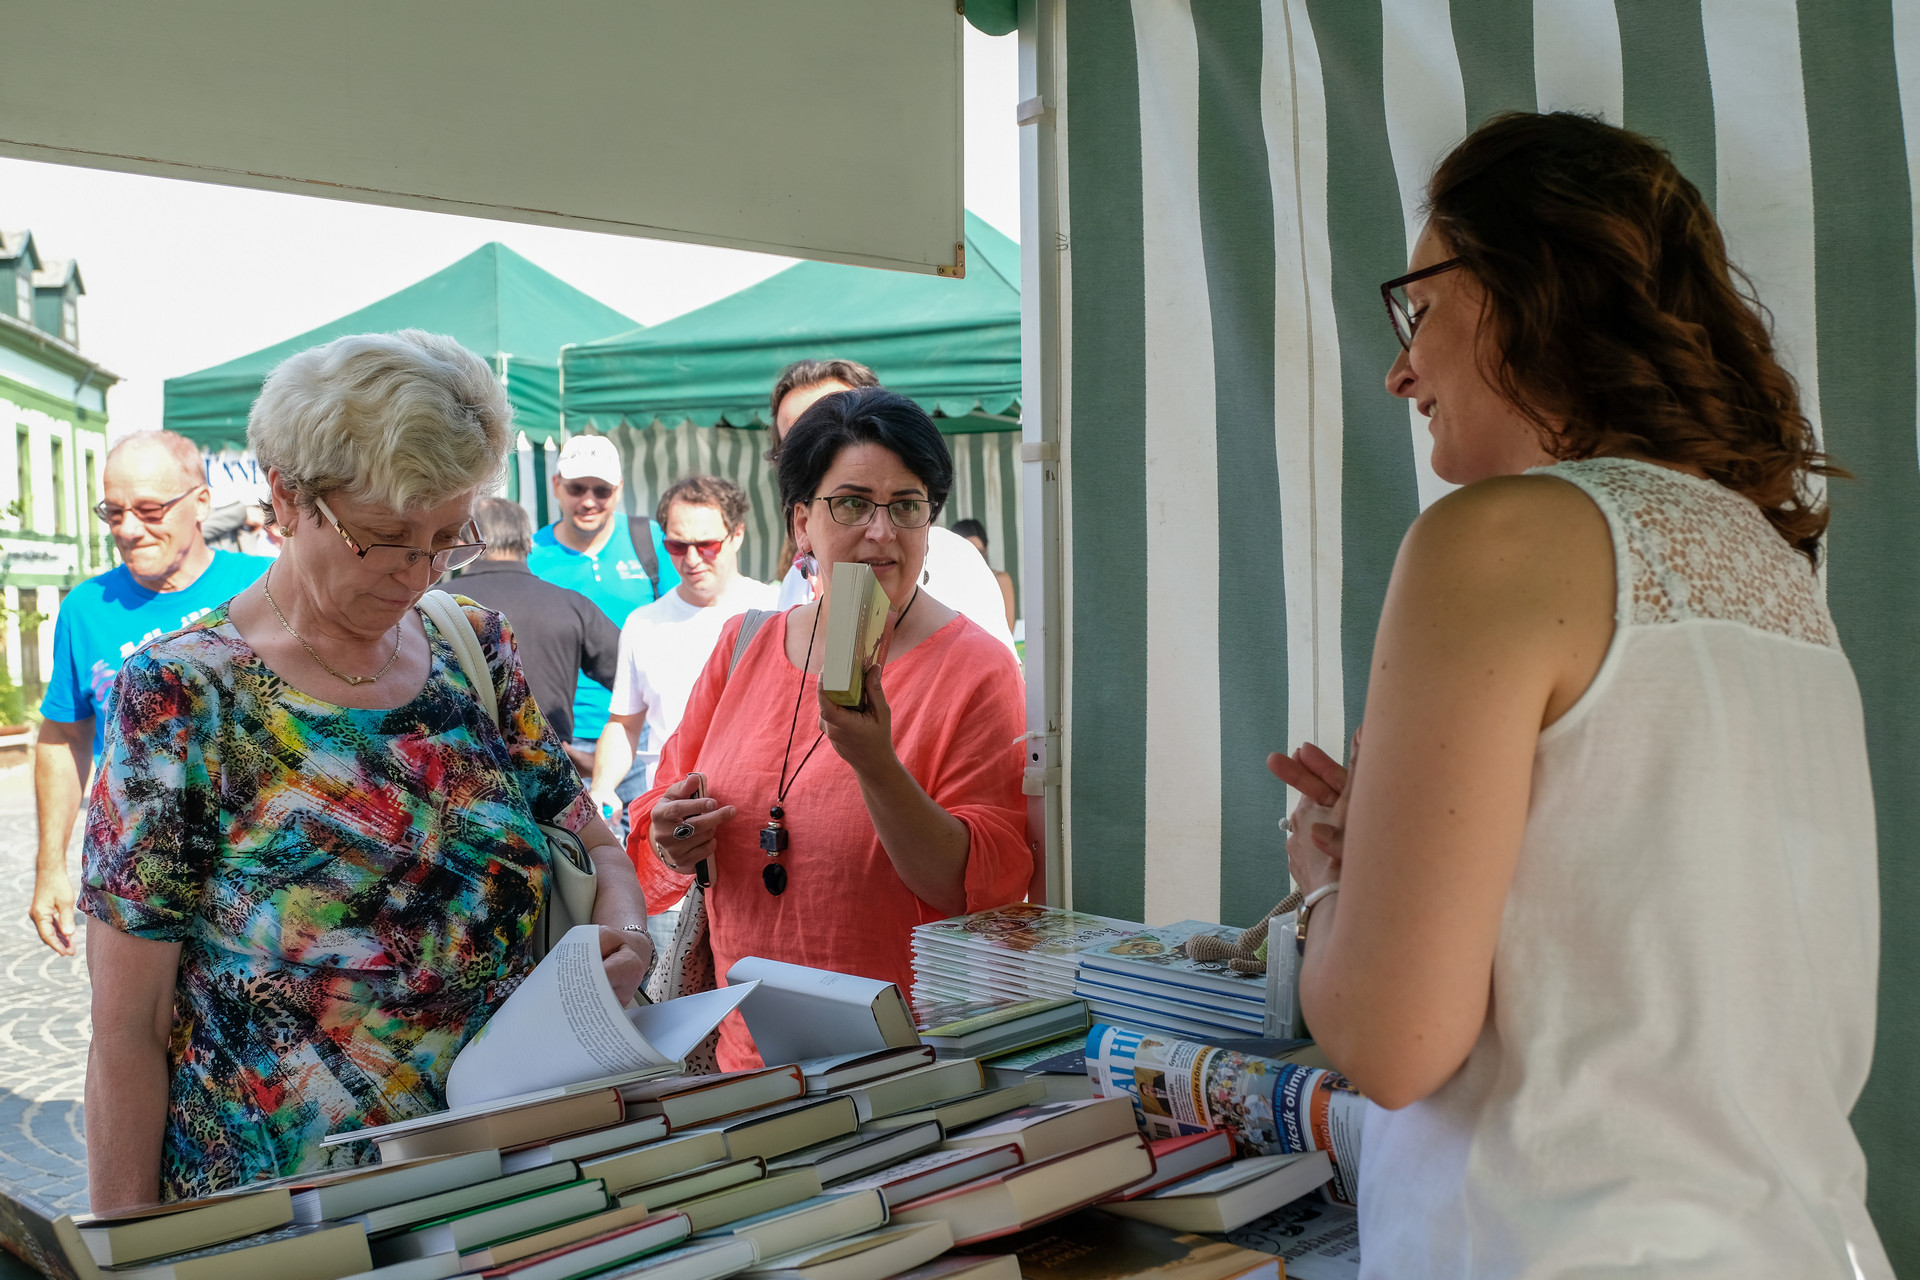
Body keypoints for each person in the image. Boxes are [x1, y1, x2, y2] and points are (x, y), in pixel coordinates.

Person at [1267, 113, 1889, 1277]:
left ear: (1521, 286)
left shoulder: (1493, 538)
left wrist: (1327, 887)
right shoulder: (1770, 568)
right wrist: (1405, 845)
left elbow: (1395, 1041)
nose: (1402, 369)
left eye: (1419, 307)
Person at [79, 330, 652, 1209]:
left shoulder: (473, 648)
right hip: (283, 1219)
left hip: (509, 1188)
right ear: (287, 495)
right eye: (386, 538)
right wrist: (127, 1247)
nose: (417, 573)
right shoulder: (183, 695)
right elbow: (128, 1026)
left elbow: (592, 841)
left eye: (446, 539)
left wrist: (626, 934)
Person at [628, 387, 1029, 1070]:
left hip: (906, 1072)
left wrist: (876, 764)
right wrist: (673, 836)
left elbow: (974, 888)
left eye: (907, 506)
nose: (881, 532)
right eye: (852, 504)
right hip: (747, 1071)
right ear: (801, 523)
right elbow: (655, 818)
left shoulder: (977, 668)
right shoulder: (743, 646)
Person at [28, 431, 268, 956]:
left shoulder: (267, 585)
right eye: (113, 513)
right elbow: (64, 736)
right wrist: (50, 868)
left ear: (201, 502)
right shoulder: (85, 608)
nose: (129, 529)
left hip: (259, 882)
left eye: (150, 510)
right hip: (136, 885)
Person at [765, 359, 1016, 653]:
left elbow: (988, 662)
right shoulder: (795, 583)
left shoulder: (954, 562)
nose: (880, 531)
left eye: (832, 417)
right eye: (795, 442)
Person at [589, 475, 776, 820]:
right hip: (669, 811)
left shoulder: (776, 610)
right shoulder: (643, 623)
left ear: (737, 535)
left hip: (757, 807)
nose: (691, 559)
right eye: (676, 546)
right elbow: (624, 724)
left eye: (706, 545)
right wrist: (602, 786)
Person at [526, 435, 680, 774]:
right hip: (562, 736)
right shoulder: (533, 555)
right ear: (556, 485)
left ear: (619, 489)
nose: (589, 501)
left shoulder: (649, 539)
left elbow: (681, 620)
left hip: (641, 730)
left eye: (601, 490)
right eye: (577, 488)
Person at [455, 496, 620, 745]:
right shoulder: (570, 604)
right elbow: (636, 676)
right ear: (528, 543)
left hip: (460, 759)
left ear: (463, 545)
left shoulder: (437, 604)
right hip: (550, 758)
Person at [950, 518, 1016, 634]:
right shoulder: (948, 582)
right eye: (967, 551)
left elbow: (1007, 630)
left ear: (986, 548)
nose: (974, 557)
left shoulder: (1000, 580)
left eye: (978, 552)